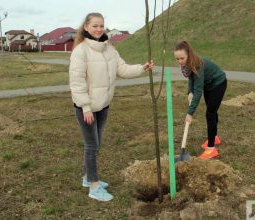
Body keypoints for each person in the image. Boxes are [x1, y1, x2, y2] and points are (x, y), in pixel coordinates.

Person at [69, 12, 154, 202]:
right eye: (95, 26)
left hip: (103, 105)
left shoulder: (109, 49)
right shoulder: (80, 51)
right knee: (92, 146)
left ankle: (86, 177)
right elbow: (77, 82)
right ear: (86, 27)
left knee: (96, 144)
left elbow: (122, 69)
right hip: (87, 108)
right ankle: (93, 186)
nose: (99, 29)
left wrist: (142, 68)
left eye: (101, 26)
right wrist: (85, 107)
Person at [174, 41, 227, 159]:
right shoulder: (189, 65)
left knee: (210, 113)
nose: (180, 61)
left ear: (189, 55)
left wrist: (190, 113)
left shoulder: (198, 65)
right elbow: (191, 78)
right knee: (212, 111)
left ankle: (211, 148)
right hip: (209, 85)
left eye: (182, 58)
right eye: (177, 59)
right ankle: (215, 137)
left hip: (218, 83)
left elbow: (198, 91)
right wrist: (190, 91)